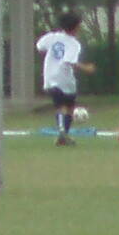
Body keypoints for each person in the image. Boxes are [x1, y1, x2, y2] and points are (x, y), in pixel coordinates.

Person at [38, 12, 91, 147]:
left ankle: (63, 136)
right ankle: (62, 132)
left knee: (64, 106)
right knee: (66, 106)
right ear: (75, 28)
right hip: (64, 78)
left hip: (49, 75)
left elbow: (39, 46)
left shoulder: (52, 37)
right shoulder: (74, 43)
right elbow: (70, 61)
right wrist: (86, 68)